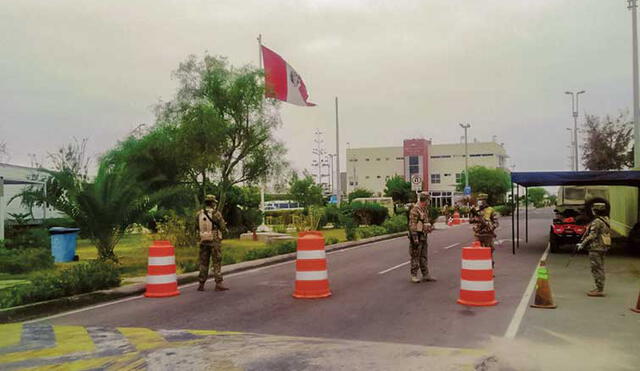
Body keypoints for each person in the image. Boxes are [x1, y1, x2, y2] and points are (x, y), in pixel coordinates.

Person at [577, 203, 611, 297]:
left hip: (595, 247)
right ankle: (599, 287)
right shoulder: (606, 219)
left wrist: (582, 244)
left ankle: (599, 289)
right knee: (600, 268)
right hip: (603, 246)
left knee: (596, 268)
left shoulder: (597, 221)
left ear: (595, 211)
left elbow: (592, 235)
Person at [197, 194, 229, 292]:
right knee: (216, 262)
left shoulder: (199, 214)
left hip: (203, 239)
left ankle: (201, 284)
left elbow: (196, 227)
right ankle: (218, 283)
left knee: (203, 262)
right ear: (212, 203)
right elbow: (223, 227)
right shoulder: (216, 214)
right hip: (214, 240)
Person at [408, 192, 436, 283]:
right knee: (415, 256)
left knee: (423, 256)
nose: (429, 202)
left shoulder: (424, 210)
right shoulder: (415, 210)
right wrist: (415, 238)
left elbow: (426, 221)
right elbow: (412, 225)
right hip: (416, 236)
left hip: (423, 235)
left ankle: (425, 274)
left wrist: (429, 228)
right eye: (428, 200)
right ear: (425, 200)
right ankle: (414, 275)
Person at [471, 193, 499, 268]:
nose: (481, 201)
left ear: (486, 201)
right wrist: (477, 219)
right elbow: (470, 220)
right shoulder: (475, 210)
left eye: (482, 200)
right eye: (479, 200)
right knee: (478, 251)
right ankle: (480, 267)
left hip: (488, 234)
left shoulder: (491, 209)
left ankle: (489, 268)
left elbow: (496, 222)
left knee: (489, 251)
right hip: (478, 233)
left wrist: (492, 227)